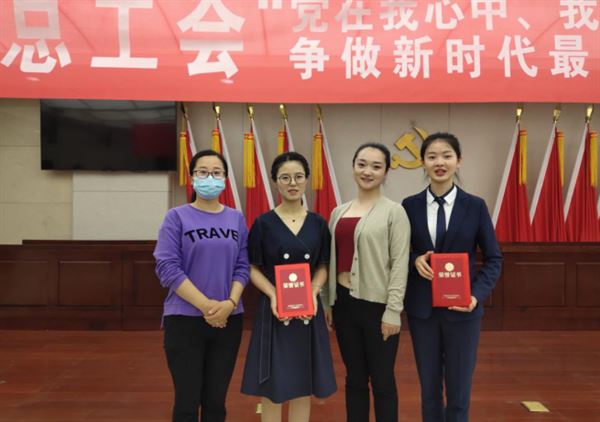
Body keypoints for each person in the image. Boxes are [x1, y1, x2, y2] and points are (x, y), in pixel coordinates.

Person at [401, 132, 502, 422]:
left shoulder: (475, 206)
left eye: (447, 156)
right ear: (422, 162)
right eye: (432, 157)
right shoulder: (409, 205)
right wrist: (414, 259)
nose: (439, 163)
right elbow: (397, 253)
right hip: (423, 311)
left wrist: (475, 296)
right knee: (429, 391)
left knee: (459, 392)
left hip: (463, 310)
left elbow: (494, 258)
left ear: (459, 161)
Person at [154, 149, 250, 422]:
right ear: (192, 177)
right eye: (203, 172)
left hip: (228, 320)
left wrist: (229, 304)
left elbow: (243, 266)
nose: (210, 178)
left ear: (225, 179)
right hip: (184, 320)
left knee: (216, 402)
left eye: (216, 173)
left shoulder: (236, 218)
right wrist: (207, 306)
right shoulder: (176, 217)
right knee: (187, 402)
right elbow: (167, 268)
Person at [241, 151, 336, 422]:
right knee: (272, 388)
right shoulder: (263, 223)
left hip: (307, 309)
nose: (292, 183)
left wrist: (314, 291)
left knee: (303, 385)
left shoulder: (318, 223)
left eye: (298, 176)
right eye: (285, 178)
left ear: (307, 180)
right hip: (275, 310)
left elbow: (323, 265)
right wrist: (273, 294)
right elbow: (252, 267)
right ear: (275, 182)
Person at [322, 142, 411, 422]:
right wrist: (327, 302)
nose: (367, 171)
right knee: (355, 378)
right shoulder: (338, 212)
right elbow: (329, 259)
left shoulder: (394, 212)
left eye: (376, 166)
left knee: (382, 380)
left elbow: (400, 264)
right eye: (361, 164)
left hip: (378, 306)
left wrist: (393, 310)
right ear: (353, 167)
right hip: (344, 305)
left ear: (385, 172)